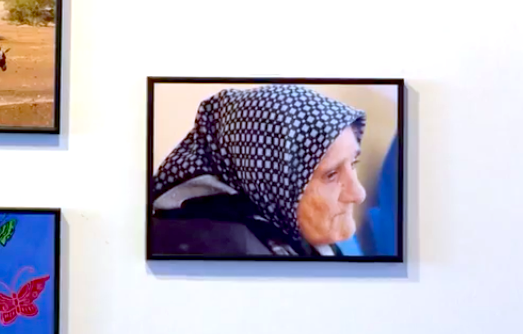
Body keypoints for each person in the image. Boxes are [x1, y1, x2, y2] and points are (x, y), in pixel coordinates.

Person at [150, 84, 368, 257]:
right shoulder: (225, 250)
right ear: (270, 181)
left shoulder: (286, 231)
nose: (358, 194)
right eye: (331, 174)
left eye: (353, 164)